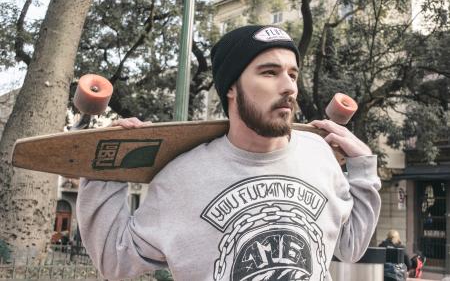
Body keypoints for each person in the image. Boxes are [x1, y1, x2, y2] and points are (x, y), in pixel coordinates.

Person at [76, 25, 381, 281]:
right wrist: (107, 167)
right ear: (231, 88)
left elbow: (350, 247)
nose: (289, 87)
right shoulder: (181, 178)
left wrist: (363, 168)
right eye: (270, 72)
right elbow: (115, 260)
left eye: (293, 74)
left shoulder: (320, 156)